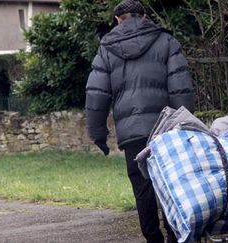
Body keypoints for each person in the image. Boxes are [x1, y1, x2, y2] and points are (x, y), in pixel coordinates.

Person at [84, 0, 195, 242]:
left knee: (143, 190)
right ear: (144, 16)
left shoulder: (107, 47)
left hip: (132, 133)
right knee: (170, 184)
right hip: (165, 129)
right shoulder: (165, 41)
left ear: (117, 20)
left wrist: (98, 134)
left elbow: (96, 94)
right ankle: (175, 235)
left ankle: (153, 238)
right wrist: (187, 125)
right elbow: (180, 87)